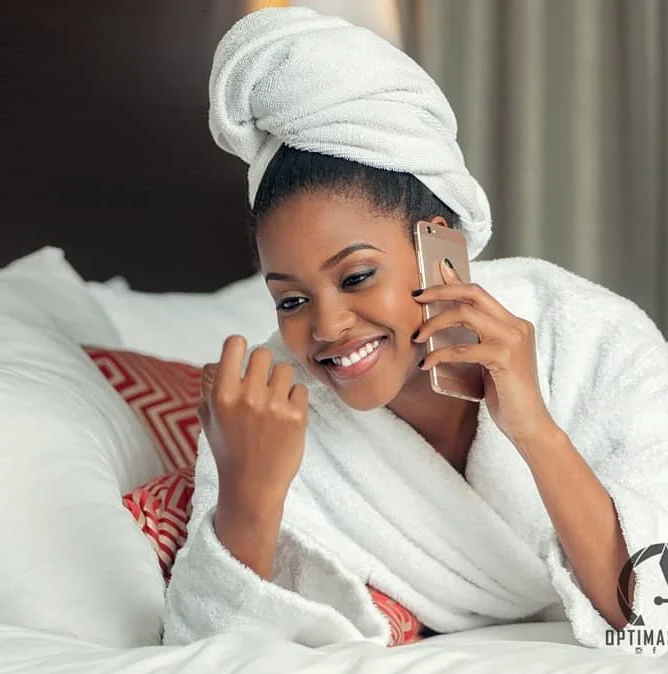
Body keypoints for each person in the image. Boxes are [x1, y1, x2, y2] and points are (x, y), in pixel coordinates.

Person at [162, 7, 668, 652]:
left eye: (355, 277)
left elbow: (652, 614)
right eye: (289, 300)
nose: (327, 326)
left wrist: (533, 429)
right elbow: (198, 649)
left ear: (441, 249)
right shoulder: (273, 405)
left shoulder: (590, 337)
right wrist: (249, 493)